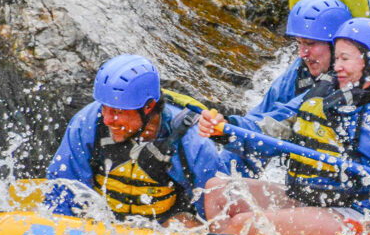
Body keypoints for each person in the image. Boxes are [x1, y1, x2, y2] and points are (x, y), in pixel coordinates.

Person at [198, 18, 370, 235]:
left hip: (357, 214)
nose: (336, 67)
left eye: (345, 59)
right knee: (215, 191)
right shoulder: (327, 94)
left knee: (243, 224)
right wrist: (228, 128)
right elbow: (271, 126)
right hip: (314, 197)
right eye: (336, 58)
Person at [45, 54, 232, 223]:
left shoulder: (191, 140)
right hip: (102, 221)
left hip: (165, 227)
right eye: (104, 108)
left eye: (118, 112)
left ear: (148, 107)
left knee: (185, 222)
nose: (108, 120)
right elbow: (61, 192)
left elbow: (218, 214)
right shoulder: (87, 123)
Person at [246, 0, 352, 121]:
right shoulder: (299, 68)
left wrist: (234, 124)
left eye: (310, 43)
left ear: (336, 46)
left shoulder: (347, 80)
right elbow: (261, 111)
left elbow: (284, 115)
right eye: (299, 43)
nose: (303, 54)